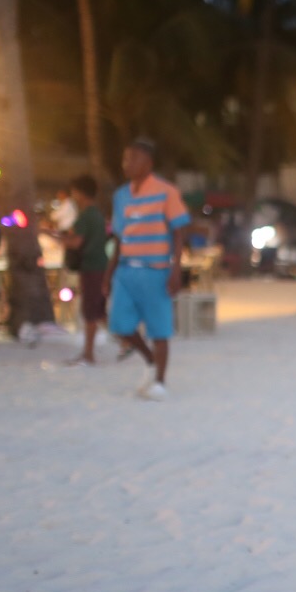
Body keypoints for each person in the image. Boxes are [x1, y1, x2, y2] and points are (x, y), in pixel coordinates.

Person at [109, 137, 189, 400]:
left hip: (155, 269)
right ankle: (150, 359)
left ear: (148, 163)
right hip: (126, 269)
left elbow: (179, 231)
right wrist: (109, 273)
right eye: (124, 158)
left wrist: (176, 269)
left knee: (159, 328)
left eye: (133, 158)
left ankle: (160, 381)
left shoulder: (166, 191)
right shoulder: (121, 196)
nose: (126, 164)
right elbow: (119, 237)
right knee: (119, 324)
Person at [62, 175, 110, 365]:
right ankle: (126, 342)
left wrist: (59, 239)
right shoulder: (96, 214)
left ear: (80, 193)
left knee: (91, 310)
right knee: (99, 310)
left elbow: (76, 241)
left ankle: (89, 353)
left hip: (91, 266)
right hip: (100, 265)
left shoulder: (87, 215)